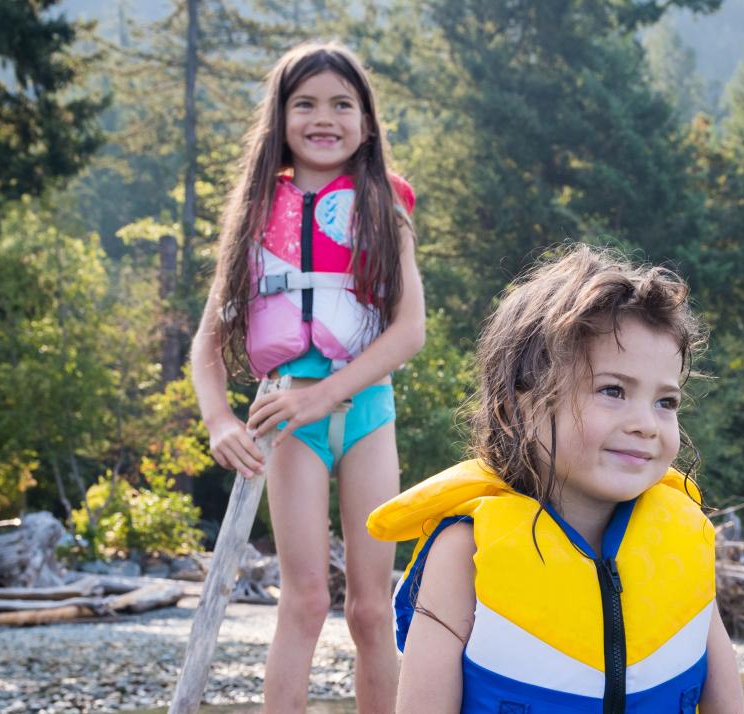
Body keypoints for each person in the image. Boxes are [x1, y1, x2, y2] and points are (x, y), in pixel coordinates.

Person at [368, 246, 744, 712]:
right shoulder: (464, 553)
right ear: (518, 411)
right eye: (613, 391)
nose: (646, 424)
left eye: (665, 402)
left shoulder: (682, 544)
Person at [189, 41, 424, 713]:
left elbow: (409, 330)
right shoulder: (256, 214)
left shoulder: (384, 206)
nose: (325, 118)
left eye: (342, 104)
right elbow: (207, 347)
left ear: (367, 121)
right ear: (281, 118)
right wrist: (219, 423)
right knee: (307, 600)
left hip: (366, 410)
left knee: (372, 610)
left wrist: (330, 392)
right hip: (287, 420)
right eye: (306, 104)